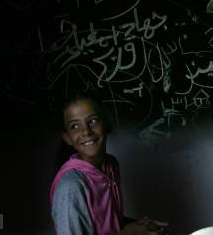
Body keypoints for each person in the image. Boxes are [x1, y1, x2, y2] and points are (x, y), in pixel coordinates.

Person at [49, 91, 167, 235]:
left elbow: (107, 222)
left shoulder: (111, 165)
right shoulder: (71, 186)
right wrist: (129, 233)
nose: (86, 131)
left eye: (92, 121)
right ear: (67, 138)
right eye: (75, 126)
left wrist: (140, 226)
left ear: (107, 124)